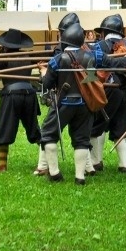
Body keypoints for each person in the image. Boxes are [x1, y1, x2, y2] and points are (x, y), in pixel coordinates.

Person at [39, 23, 95, 184]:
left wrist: (43, 73)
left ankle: (55, 173)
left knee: (48, 134)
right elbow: (92, 79)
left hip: (63, 103)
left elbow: (48, 83)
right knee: (82, 139)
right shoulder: (90, 57)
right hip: (85, 104)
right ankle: (80, 176)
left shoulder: (58, 59)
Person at [87, 14, 126, 173]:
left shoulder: (98, 46)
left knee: (97, 125)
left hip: (109, 89)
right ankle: (125, 163)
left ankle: (96, 161)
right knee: (125, 127)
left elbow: (91, 68)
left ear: (104, 31)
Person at [0, 29, 41, 172]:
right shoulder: (28, 56)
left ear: (5, 45)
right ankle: (45, 161)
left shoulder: (2, 58)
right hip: (29, 94)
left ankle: (2, 166)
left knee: (3, 129)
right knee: (34, 129)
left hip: (11, 96)